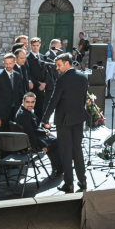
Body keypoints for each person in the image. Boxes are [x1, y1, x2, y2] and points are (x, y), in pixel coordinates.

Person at [42, 53, 89, 193]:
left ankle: (69, 183)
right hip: (79, 119)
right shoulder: (83, 77)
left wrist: (45, 119)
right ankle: (83, 180)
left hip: (64, 121)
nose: (57, 68)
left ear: (67, 63)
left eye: (59, 65)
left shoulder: (62, 80)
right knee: (78, 150)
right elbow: (83, 98)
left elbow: (53, 102)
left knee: (66, 152)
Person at [0, 53, 26, 164]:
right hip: (1, 114)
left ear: (14, 63)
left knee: (12, 138)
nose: (8, 65)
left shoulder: (17, 75)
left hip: (14, 113)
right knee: (0, 140)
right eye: (6, 63)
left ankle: (11, 163)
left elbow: (20, 93)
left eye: (10, 63)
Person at [14, 91, 61, 175]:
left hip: (29, 137)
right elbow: (30, 134)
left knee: (52, 138)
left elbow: (32, 128)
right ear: (23, 102)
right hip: (29, 143)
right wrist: (43, 145)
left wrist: (43, 131)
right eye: (28, 102)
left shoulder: (24, 110)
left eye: (32, 102)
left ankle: (57, 167)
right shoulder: (24, 115)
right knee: (54, 141)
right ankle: (59, 168)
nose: (30, 104)